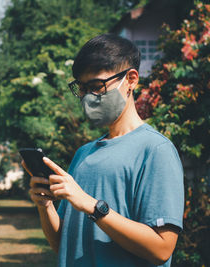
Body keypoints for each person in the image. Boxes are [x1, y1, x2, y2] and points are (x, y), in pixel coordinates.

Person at [22, 34, 184, 267]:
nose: (88, 97)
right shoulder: (84, 154)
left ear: (131, 79)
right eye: (83, 88)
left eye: (97, 86)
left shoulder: (156, 150)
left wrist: (94, 207)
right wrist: (45, 206)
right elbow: (64, 246)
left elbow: (161, 248)